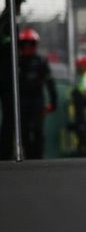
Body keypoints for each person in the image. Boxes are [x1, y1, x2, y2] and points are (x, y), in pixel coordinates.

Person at [17, 29, 56, 159]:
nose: (27, 47)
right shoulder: (16, 62)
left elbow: (50, 83)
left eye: (30, 44)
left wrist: (53, 102)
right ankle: (28, 158)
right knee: (24, 131)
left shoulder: (41, 61)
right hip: (22, 101)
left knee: (38, 130)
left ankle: (38, 159)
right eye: (25, 44)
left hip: (37, 101)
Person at [0, 0, 24, 160]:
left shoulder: (3, 20)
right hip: (6, 75)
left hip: (5, 73)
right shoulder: (8, 22)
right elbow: (8, 48)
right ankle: (5, 152)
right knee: (10, 115)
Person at [70, 56, 86, 154]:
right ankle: (82, 143)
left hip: (84, 108)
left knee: (83, 124)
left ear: (85, 66)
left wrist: (79, 96)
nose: (78, 68)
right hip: (80, 107)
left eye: (80, 65)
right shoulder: (82, 76)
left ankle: (84, 144)